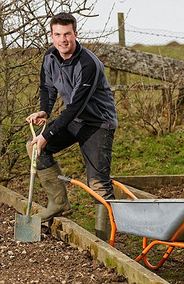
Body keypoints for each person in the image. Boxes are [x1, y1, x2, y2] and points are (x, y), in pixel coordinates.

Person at [26, 12, 117, 241]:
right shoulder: (50, 57)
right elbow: (47, 87)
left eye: (67, 34)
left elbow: (75, 106)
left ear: (75, 34)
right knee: (36, 148)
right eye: (58, 35)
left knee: (98, 183)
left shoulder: (88, 64)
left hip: (98, 123)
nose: (63, 40)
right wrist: (45, 110)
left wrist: (48, 133)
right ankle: (59, 203)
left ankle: (106, 240)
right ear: (51, 35)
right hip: (75, 120)